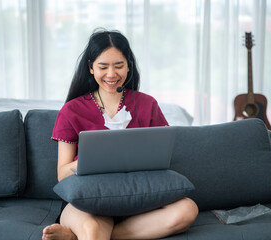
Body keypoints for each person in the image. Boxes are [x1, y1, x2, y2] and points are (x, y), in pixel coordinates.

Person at [42, 29, 198, 240]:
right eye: (103, 67)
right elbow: (62, 173)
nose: (111, 74)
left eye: (118, 66)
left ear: (129, 67)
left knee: (187, 210)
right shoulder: (71, 110)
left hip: (138, 198)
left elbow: (162, 156)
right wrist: (96, 161)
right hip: (90, 199)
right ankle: (86, 232)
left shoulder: (147, 104)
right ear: (90, 68)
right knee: (94, 230)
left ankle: (75, 237)